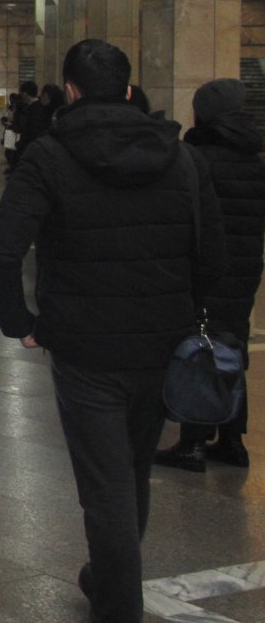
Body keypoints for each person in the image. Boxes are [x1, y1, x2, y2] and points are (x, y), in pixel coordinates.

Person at [0, 39, 225, 623]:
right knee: (132, 470)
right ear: (128, 86)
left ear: (70, 91)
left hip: (86, 351)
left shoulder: (48, 156)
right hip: (164, 346)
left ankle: (118, 605)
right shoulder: (183, 158)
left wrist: (23, 326)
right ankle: (109, 575)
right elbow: (213, 258)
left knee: (105, 483)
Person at [154, 78, 265, 471]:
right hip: (247, 267)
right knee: (232, 347)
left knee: (201, 349)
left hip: (208, 269)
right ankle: (233, 441)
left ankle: (192, 443)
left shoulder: (198, 157)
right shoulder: (255, 156)